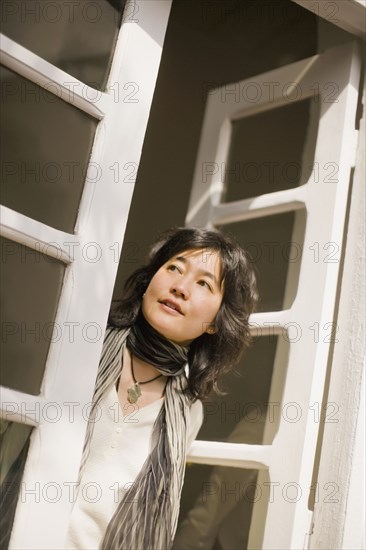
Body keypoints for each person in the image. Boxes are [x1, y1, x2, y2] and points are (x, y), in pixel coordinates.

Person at [65, 226, 258, 550]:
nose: (180, 287)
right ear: (148, 283)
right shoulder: (83, 350)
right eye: (173, 268)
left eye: (203, 284)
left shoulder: (188, 411)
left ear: (215, 322)